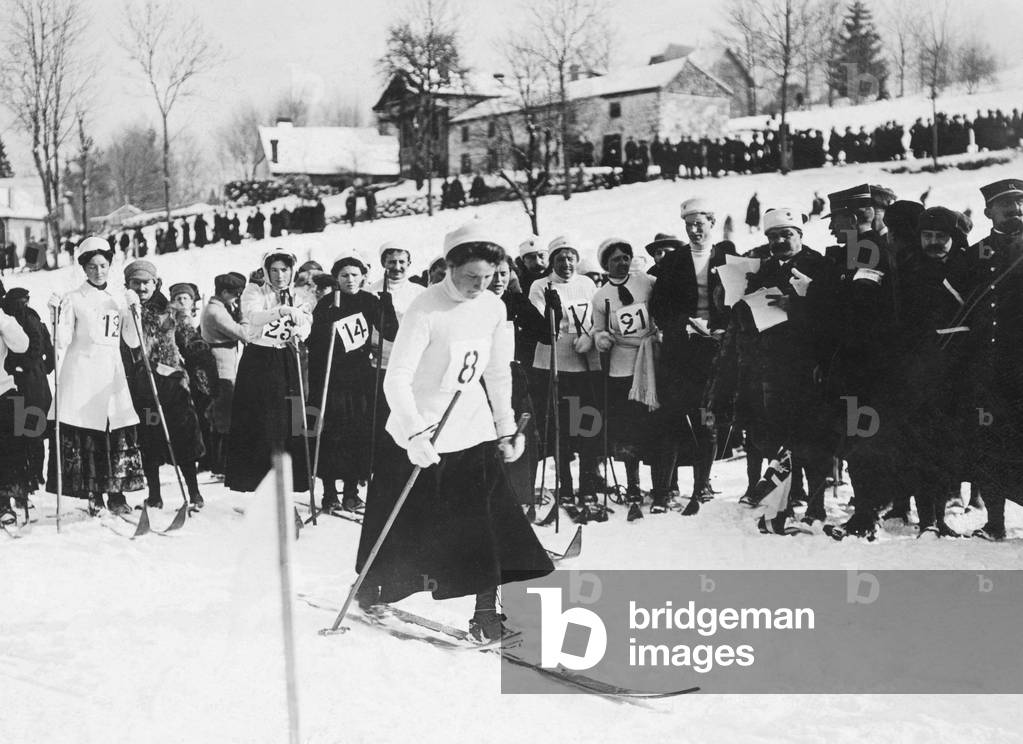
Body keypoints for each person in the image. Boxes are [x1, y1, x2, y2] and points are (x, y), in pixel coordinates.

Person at [355, 222, 554, 642]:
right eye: (470, 278)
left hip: (470, 427)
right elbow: (398, 378)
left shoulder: (494, 308)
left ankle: (485, 614)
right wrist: (415, 434)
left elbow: (498, 373)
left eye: (489, 277)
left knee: (485, 523)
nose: (480, 286)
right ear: (450, 266)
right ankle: (372, 586)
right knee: (403, 521)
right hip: (420, 429)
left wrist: (504, 429)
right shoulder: (425, 309)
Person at [47, 237, 146, 515]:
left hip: (111, 372)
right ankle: (94, 494)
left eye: (103, 265)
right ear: (84, 267)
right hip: (82, 372)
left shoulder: (117, 298)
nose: (98, 271)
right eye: (92, 266)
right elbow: (63, 339)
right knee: (88, 433)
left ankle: (116, 494)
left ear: (110, 265)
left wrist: (134, 313)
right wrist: (54, 315)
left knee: (113, 431)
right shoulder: (74, 298)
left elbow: (132, 340)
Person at [649, 197, 736, 510]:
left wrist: (722, 327)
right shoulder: (673, 262)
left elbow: (739, 299)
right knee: (672, 417)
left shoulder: (728, 256)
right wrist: (681, 326)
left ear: (712, 224)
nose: (695, 230)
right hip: (680, 350)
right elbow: (659, 306)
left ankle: (702, 486)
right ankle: (664, 489)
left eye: (700, 224)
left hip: (714, 351)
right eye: (689, 226)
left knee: (707, 421)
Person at [306, 256, 397, 512]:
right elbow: (312, 343)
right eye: (344, 275)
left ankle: (351, 492)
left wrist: (386, 307)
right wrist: (326, 324)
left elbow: (391, 332)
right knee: (332, 434)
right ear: (337, 278)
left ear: (363, 277)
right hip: (331, 379)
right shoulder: (327, 303)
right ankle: (329, 493)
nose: (350, 280)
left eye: (354, 275)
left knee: (356, 434)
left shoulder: (369, 301)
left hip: (358, 378)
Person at [960, 179, 1023, 540]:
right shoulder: (977, 253)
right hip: (988, 368)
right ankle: (995, 523)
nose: (1015, 210)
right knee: (991, 442)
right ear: (989, 212)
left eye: (1019, 203)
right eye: (1007, 205)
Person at [225, 250, 314, 493]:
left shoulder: (299, 295)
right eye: (274, 270)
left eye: (284, 270)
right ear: (266, 271)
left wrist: (300, 331)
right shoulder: (254, 291)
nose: (279, 275)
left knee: (290, 418)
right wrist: (282, 311)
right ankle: (258, 481)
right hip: (260, 359)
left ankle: (290, 481)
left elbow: (307, 322)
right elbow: (253, 316)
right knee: (262, 419)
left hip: (287, 357)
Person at [122, 260, 206, 510]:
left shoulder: (172, 311)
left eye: (145, 282)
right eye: (135, 283)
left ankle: (194, 492)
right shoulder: (127, 311)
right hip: (145, 389)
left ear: (155, 283)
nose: (140, 287)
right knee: (150, 440)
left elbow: (190, 341)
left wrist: (200, 360)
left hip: (174, 387)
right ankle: (155, 496)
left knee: (183, 439)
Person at [527, 234, 602, 507]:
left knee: (586, 424)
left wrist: (591, 335)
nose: (567, 264)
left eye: (571, 258)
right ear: (552, 261)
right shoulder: (540, 285)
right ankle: (566, 485)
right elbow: (541, 324)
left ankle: (588, 484)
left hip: (584, 361)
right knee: (562, 427)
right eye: (560, 259)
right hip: (554, 363)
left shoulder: (587, 283)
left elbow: (598, 317)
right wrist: (553, 313)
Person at [591, 238, 659, 508]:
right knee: (628, 426)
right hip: (622, 364)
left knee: (652, 424)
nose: (622, 263)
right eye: (616, 259)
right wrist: (602, 339)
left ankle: (662, 483)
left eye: (626, 257)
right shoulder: (601, 296)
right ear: (605, 264)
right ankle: (633, 484)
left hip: (650, 360)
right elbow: (597, 329)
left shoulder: (646, 282)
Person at [2, 287, 54, 497]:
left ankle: (32, 474)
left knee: (28, 430)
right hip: (33, 381)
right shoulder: (28, 316)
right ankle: (33, 473)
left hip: (27, 381)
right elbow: (47, 351)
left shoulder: (20, 318)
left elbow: (38, 347)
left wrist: (21, 367)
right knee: (31, 430)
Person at [200, 272, 248, 475]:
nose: (237, 299)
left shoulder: (217, 307)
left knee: (221, 416)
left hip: (224, 366)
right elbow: (244, 334)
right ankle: (221, 465)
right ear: (225, 292)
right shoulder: (216, 312)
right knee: (224, 418)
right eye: (235, 295)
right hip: (222, 369)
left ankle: (219, 463)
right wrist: (244, 315)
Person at [0, 295, 30, 524]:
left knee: (8, 452)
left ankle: (4, 503)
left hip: (2, 390)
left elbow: (22, 344)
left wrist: (3, 319)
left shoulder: (3, 319)